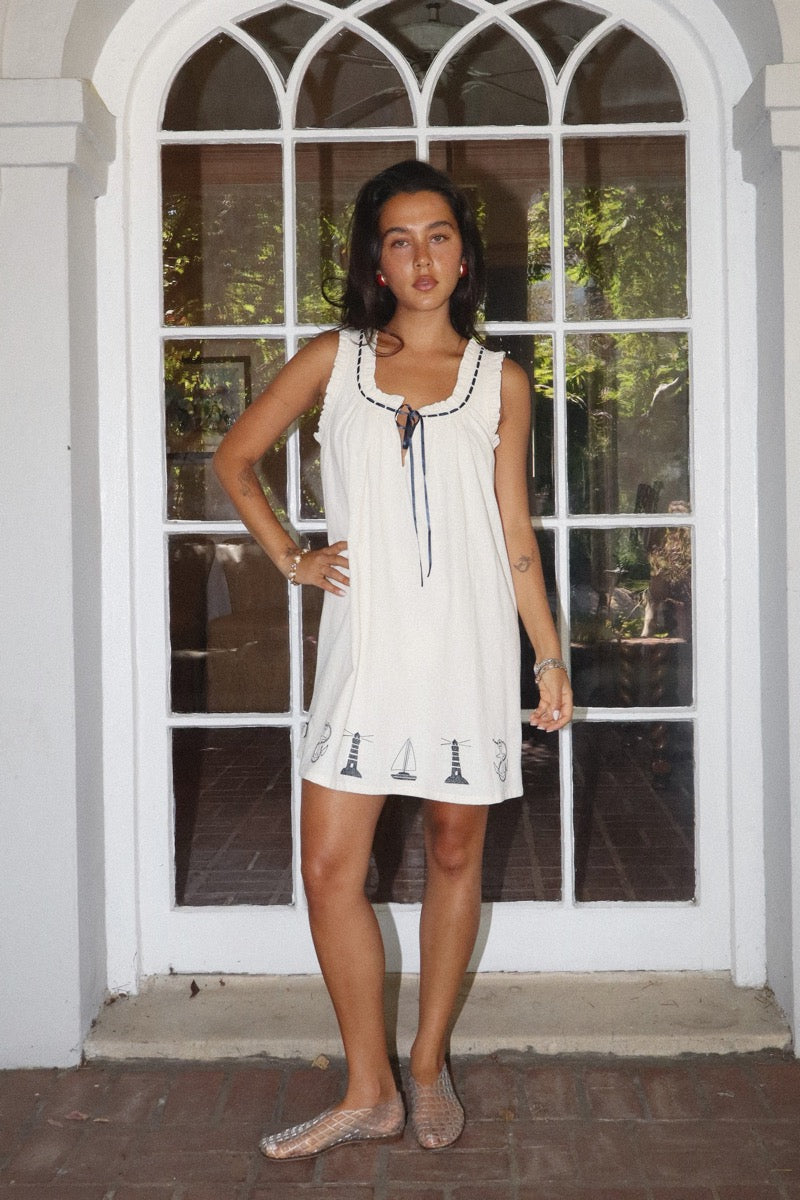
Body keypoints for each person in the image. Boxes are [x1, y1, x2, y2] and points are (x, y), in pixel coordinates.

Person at [213, 159, 573, 1159]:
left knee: (455, 852)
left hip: (465, 647)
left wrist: (546, 657)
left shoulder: (500, 381)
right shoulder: (333, 360)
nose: (421, 257)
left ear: (464, 257)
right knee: (329, 867)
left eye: (438, 237)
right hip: (366, 652)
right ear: (377, 261)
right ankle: (366, 1088)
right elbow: (235, 459)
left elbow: (513, 531)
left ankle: (424, 1065)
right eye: (399, 240)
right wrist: (291, 557)